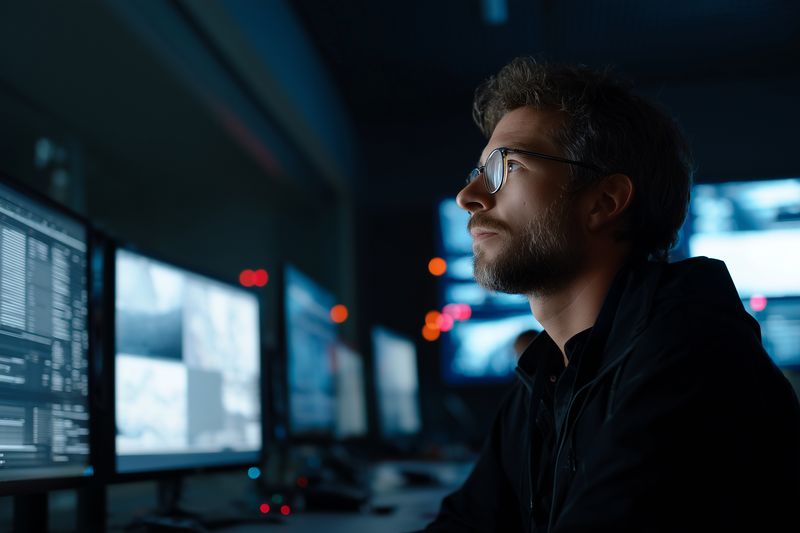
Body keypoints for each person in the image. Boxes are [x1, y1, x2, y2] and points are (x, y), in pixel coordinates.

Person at [421, 57, 800, 532]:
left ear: (604, 202)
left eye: (508, 166)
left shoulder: (692, 351)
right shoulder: (547, 375)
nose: (469, 196)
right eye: (478, 170)